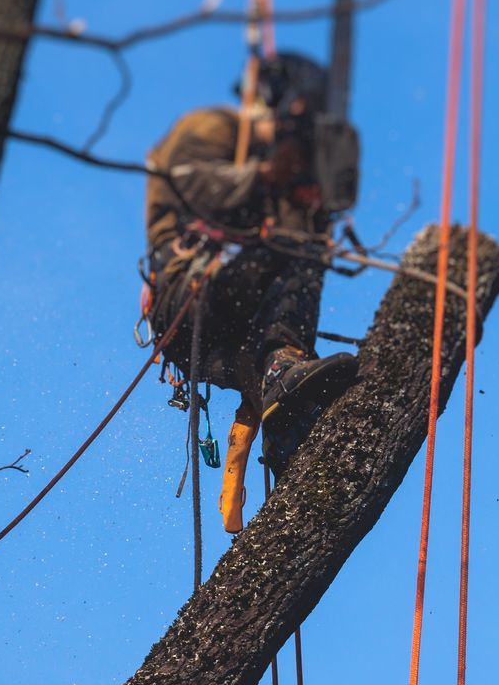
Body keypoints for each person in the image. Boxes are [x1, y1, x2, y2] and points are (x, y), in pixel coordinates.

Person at [145, 51, 361, 529]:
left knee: (301, 250)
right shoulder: (215, 128)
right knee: (290, 250)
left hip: (245, 339)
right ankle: (280, 368)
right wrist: (266, 175)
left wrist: (311, 196)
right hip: (191, 301)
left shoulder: (286, 166)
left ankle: (286, 411)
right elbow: (186, 184)